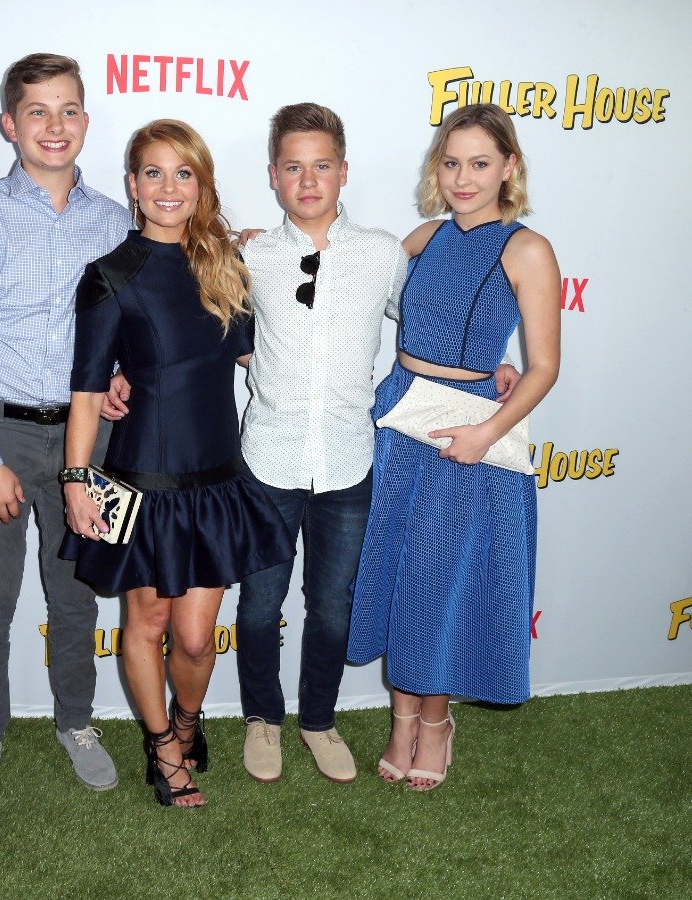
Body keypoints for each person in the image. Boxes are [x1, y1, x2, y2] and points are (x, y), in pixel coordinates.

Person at [61, 119, 295, 807]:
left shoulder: (225, 267)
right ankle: (163, 749)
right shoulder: (109, 278)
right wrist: (78, 478)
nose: (169, 188)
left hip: (218, 480)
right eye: (154, 173)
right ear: (132, 186)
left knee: (195, 639)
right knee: (149, 624)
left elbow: (265, 356)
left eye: (183, 174)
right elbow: (86, 392)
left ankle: (187, 722)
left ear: (203, 185)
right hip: (142, 482)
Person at [347, 103, 560, 791]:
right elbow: (355, 282)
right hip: (398, 415)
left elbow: (544, 366)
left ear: (509, 167)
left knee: (438, 579)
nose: (463, 178)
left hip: (462, 435)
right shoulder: (424, 236)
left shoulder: (526, 249)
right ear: (436, 168)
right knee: (398, 569)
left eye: (479, 163)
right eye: (451, 162)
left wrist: (486, 432)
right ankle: (401, 719)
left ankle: (433, 722)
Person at [0, 54, 130, 811]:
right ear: (10, 124)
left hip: (88, 441)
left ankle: (76, 723)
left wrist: (121, 377)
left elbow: (122, 329)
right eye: (39, 112)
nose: (56, 126)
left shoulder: (114, 220)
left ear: (85, 121)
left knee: (76, 592)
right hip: (0, 435)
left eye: (70, 110)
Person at [232, 103, 408, 785]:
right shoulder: (252, 254)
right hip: (266, 461)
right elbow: (224, 333)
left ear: (344, 171)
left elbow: (425, 328)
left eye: (322, 166)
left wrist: (494, 365)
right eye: (294, 167)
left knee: (333, 606)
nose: (309, 181)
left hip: (347, 463)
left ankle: (319, 720)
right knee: (256, 605)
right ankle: (262, 718)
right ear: (274, 176)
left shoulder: (382, 254)